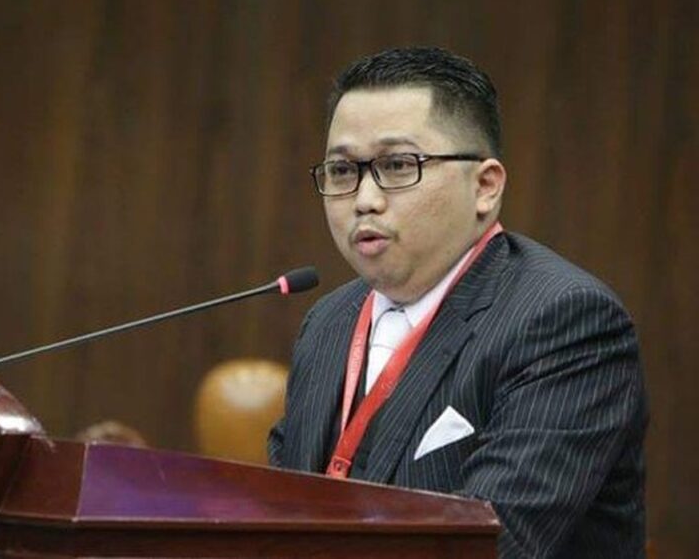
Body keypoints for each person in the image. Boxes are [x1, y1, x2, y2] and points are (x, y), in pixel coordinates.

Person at [268, 47, 646, 559]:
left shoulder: (565, 320)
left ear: (485, 186)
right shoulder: (329, 321)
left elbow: (493, 544)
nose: (364, 200)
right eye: (341, 171)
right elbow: (275, 520)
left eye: (397, 165)